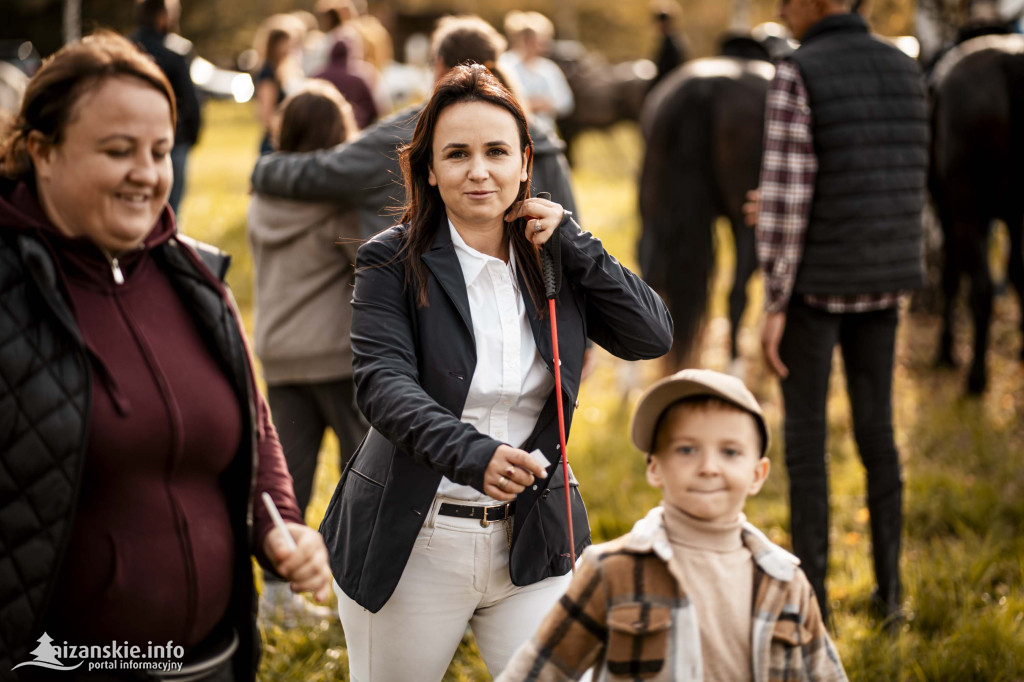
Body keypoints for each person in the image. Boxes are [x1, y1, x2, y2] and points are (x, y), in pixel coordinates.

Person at [318, 63, 672, 681]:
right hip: (414, 539)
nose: (478, 170)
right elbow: (383, 385)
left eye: (496, 152)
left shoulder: (556, 259)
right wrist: (472, 454)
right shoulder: (390, 261)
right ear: (429, 168)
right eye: (457, 154)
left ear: (524, 162)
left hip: (533, 537)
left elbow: (652, 335)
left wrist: (577, 243)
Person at [0, 32, 332, 676]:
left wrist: (280, 526)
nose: (147, 173)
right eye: (118, 151)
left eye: (158, 151)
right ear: (42, 151)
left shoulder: (196, 278)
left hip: (218, 659)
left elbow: (254, 428)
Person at [750, 0, 928, 623]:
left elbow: (790, 198)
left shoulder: (797, 72)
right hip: (884, 284)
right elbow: (893, 175)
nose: (780, 10)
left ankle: (814, 603)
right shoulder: (905, 67)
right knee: (879, 436)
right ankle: (892, 596)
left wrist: (774, 299)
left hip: (815, 291)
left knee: (805, 445)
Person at [498, 369, 847, 681]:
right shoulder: (611, 572)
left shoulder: (786, 582)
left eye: (730, 452)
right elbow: (537, 672)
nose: (709, 467)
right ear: (655, 468)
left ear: (757, 474)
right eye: (686, 450)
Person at [250, 14, 579, 239]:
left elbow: (319, 172)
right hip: (531, 323)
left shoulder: (399, 134)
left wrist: (264, 168)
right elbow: (570, 234)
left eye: (494, 152)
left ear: (437, 66)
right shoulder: (539, 138)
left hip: (413, 311)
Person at [247, 79, 365, 624]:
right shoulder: (335, 205)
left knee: (287, 473)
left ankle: (277, 594)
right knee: (361, 471)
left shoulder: (262, 197)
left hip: (279, 351)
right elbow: (368, 265)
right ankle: (353, 583)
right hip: (335, 354)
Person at [132, 0, 202, 216]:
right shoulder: (177, 50)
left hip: (132, 134)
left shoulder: (127, 46)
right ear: (163, 16)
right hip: (172, 136)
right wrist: (193, 133)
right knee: (171, 210)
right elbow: (189, 100)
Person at [499, 11, 575, 134]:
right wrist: (528, 104)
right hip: (513, 134)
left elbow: (566, 102)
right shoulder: (504, 64)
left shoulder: (549, 68)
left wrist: (544, 103)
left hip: (545, 134)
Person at [253, 16, 304, 155]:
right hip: (276, 142)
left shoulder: (284, 69)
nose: (289, 48)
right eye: (285, 43)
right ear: (275, 45)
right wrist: (283, 137)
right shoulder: (268, 73)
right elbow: (267, 114)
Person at [314, 39, 378, 129]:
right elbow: (372, 111)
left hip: (320, 129)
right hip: (352, 128)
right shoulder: (357, 80)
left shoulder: (317, 77)